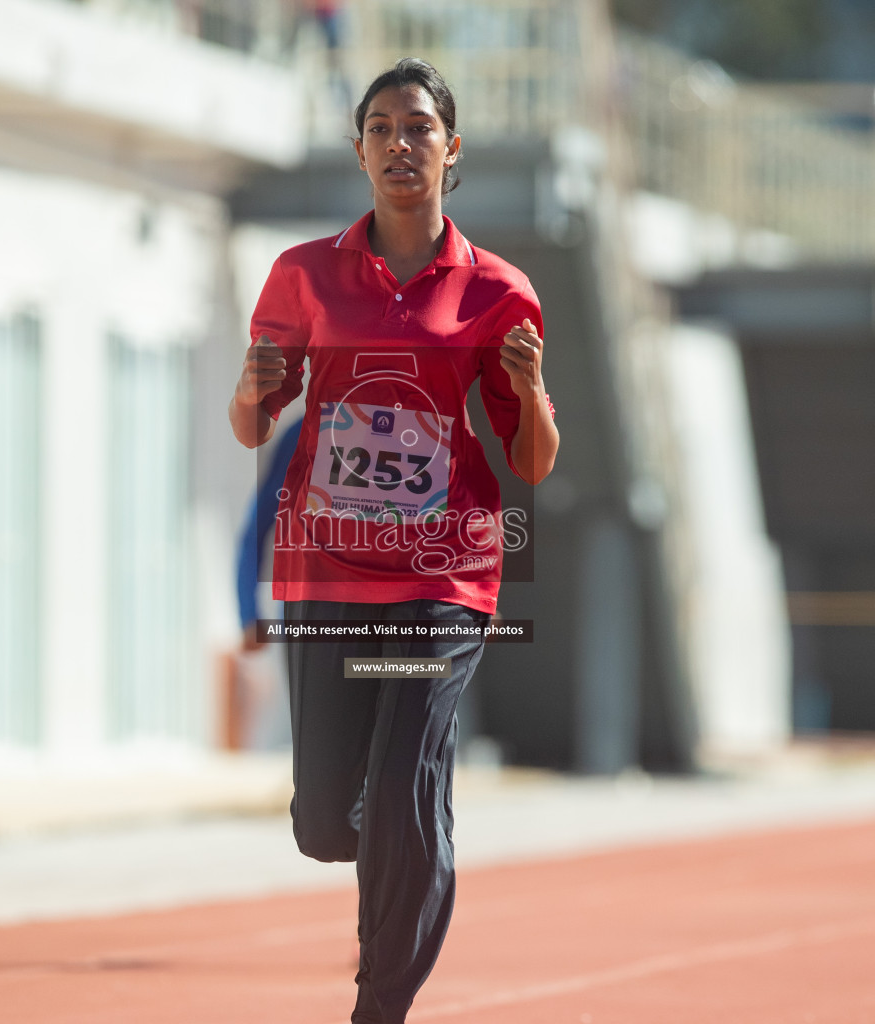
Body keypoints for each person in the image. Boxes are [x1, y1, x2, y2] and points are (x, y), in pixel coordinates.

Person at [226, 58, 559, 1024]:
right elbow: (253, 429)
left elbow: (531, 461)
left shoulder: (497, 292)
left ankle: (380, 1004)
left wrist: (531, 390)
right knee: (330, 825)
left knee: (402, 798)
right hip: (326, 571)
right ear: (360, 148)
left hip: (443, 578)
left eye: (419, 127)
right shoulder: (302, 278)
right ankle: (416, 826)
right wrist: (252, 388)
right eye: (380, 126)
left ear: (451, 151)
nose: (399, 143)